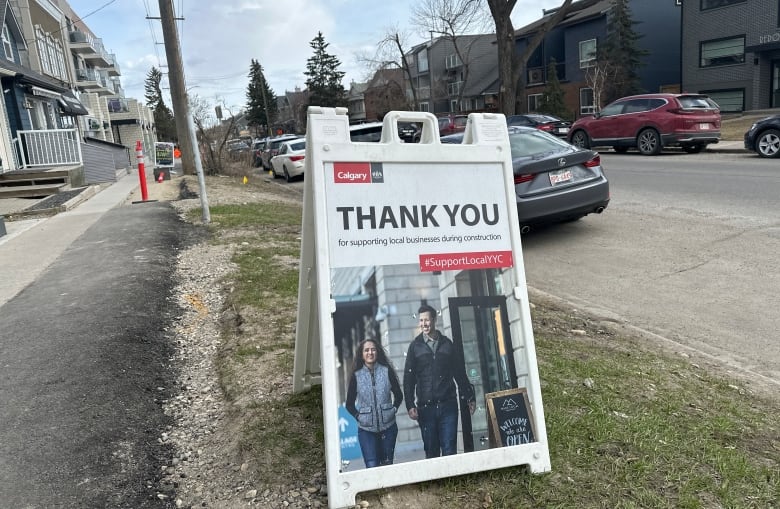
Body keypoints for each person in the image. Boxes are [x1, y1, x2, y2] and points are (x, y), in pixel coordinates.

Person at [403, 304, 475, 458]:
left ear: (434, 320)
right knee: (431, 452)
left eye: (427, 320)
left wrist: (470, 396)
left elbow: (459, 372)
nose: (424, 324)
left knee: (450, 450)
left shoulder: (447, 344)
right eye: (421, 321)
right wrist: (410, 405)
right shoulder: (415, 347)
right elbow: (408, 379)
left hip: (448, 406)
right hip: (425, 409)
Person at [345, 339, 403, 468]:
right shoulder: (356, 376)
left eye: (373, 349)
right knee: (372, 466)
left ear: (377, 352)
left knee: (387, 465)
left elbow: (399, 395)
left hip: (389, 428)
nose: (370, 352)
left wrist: (393, 410)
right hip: (366, 430)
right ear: (362, 354)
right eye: (366, 350)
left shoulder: (387, 371)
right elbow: (349, 404)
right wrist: (359, 417)